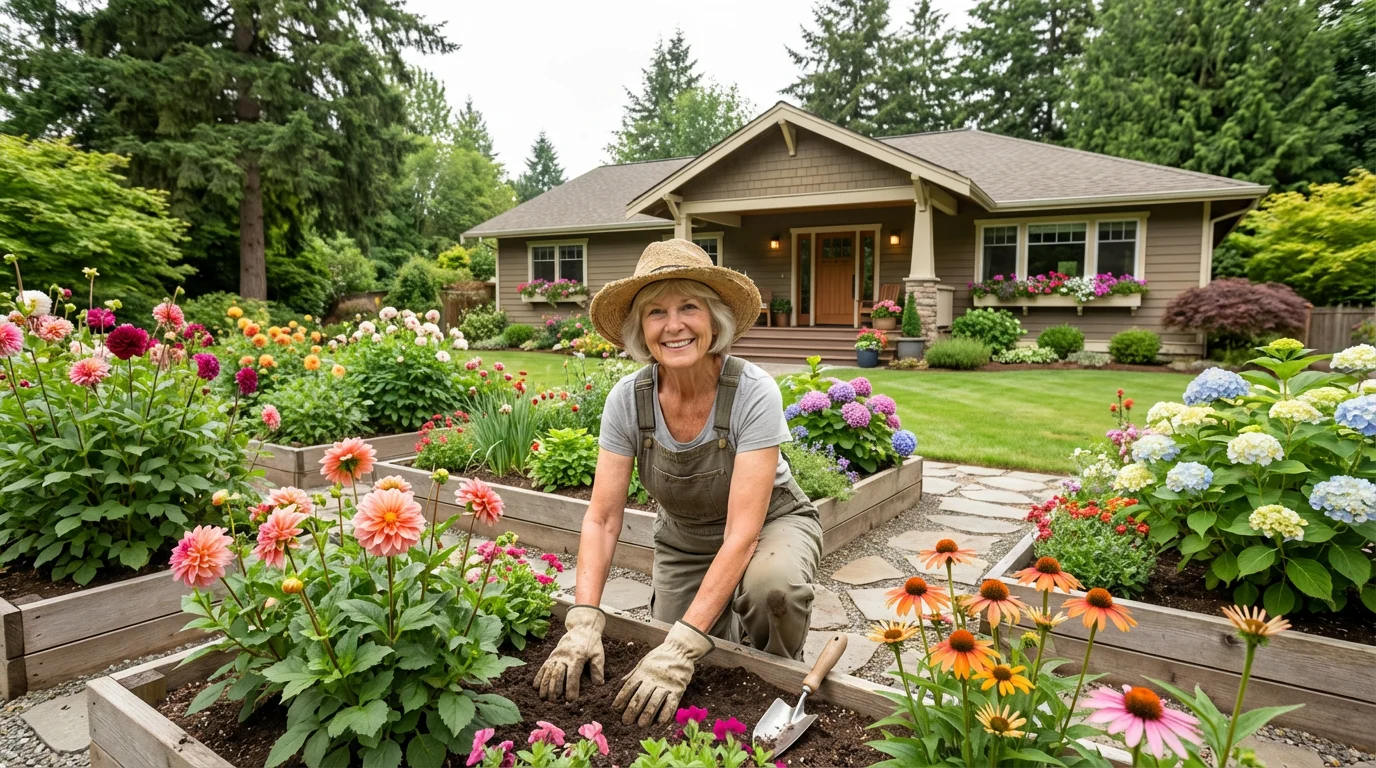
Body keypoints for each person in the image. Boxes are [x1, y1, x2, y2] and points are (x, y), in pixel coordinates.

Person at [532, 239, 822, 727]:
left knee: (774, 592)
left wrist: (685, 645)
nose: (674, 325)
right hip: (685, 539)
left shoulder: (752, 391)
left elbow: (743, 534)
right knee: (674, 656)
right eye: (656, 313)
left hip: (770, 523)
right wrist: (583, 619)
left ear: (714, 319)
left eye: (689, 307)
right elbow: (602, 519)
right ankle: (725, 627)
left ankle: (776, 677)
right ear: (641, 330)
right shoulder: (629, 400)